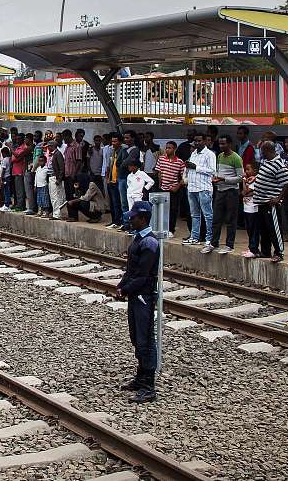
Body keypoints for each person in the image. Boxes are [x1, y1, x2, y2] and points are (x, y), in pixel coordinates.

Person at [116, 200, 161, 404]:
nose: (130, 220)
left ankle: (148, 386)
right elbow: (131, 269)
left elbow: (143, 275)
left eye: (133, 217)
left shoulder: (149, 243)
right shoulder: (138, 239)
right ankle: (141, 377)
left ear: (143, 219)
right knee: (136, 337)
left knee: (145, 340)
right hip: (136, 295)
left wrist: (125, 289)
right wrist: (122, 284)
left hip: (143, 296)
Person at [246, 141, 288, 262]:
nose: (261, 154)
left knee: (274, 228)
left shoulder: (278, 164)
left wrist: (278, 198)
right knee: (264, 228)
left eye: (262, 151)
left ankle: (279, 252)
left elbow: (287, 182)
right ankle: (265, 251)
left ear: (267, 150)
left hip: (271, 203)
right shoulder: (266, 162)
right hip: (261, 202)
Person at [204, 135, 243, 254]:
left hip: (231, 192)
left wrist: (224, 179)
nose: (221, 146)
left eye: (223, 144)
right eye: (220, 144)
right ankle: (213, 242)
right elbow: (218, 171)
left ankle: (229, 244)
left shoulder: (236, 158)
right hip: (220, 191)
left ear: (229, 144)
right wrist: (216, 178)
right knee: (216, 218)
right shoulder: (220, 156)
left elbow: (240, 178)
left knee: (231, 219)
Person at [183, 133, 216, 247]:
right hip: (192, 187)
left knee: (208, 214)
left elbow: (212, 170)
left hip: (204, 188)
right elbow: (190, 168)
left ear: (205, 141)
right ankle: (194, 237)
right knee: (195, 215)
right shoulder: (193, 153)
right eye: (195, 141)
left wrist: (196, 167)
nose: (197, 143)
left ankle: (209, 238)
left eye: (199, 141)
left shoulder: (210, 154)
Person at [154, 141, 185, 236]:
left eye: (170, 148)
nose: (167, 149)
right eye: (166, 147)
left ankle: (171, 230)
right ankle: (161, 228)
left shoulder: (179, 161)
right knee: (162, 209)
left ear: (174, 149)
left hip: (173, 189)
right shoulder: (161, 159)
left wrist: (177, 187)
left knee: (173, 210)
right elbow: (159, 172)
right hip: (163, 188)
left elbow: (184, 176)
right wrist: (160, 185)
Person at [241, 163, 261, 257]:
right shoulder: (248, 181)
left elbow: (245, 192)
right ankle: (251, 247)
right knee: (249, 229)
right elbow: (243, 193)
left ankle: (254, 249)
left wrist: (244, 181)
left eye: (248, 169)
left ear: (255, 171)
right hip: (247, 208)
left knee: (253, 230)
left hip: (253, 208)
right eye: (245, 170)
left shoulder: (254, 181)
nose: (246, 172)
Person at [47, 139, 67, 220]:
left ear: (52, 146)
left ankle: (56, 214)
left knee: (55, 196)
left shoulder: (57, 154)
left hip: (55, 177)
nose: (48, 147)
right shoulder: (54, 154)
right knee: (53, 196)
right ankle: (56, 213)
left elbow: (61, 168)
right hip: (52, 177)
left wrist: (59, 179)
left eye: (49, 146)